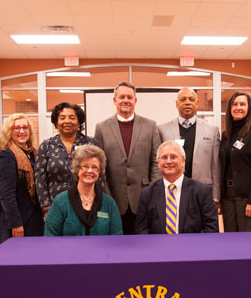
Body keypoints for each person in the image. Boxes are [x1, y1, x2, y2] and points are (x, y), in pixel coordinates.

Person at [94, 81, 161, 234]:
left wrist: (152, 191)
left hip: (144, 197)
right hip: (113, 197)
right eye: (122, 97)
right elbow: (99, 166)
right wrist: (106, 196)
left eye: (130, 97)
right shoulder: (101, 128)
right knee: (116, 244)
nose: (126, 100)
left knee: (143, 244)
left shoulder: (150, 126)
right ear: (114, 100)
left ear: (135, 101)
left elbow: (156, 162)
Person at [135, 140, 218, 234]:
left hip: (192, 247)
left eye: (173, 157)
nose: (168, 161)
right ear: (158, 163)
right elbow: (141, 230)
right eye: (164, 157)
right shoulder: (147, 194)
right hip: (158, 247)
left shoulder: (202, 191)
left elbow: (211, 228)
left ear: (182, 161)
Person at [158, 87, 221, 207]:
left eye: (191, 99)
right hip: (172, 191)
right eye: (183, 99)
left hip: (203, 191)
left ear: (197, 104)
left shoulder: (212, 130)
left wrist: (216, 196)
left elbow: (216, 166)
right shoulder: (162, 130)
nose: (187, 102)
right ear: (177, 104)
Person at [219, 92, 251, 233]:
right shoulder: (226, 134)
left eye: (242, 104)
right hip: (228, 197)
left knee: (248, 242)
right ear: (229, 108)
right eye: (234, 104)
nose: (238, 107)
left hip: (247, 197)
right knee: (230, 241)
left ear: (249, 108)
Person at [35, 102, 97, 219]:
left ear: (79, 122)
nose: (67, 121)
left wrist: (98, 202)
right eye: (62, 118)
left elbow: (100, 175)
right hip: (55, 205)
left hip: (86, 203)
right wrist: (46, 206)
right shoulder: (47, 146)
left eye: (72, 118)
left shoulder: (90, 144)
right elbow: (40, 178)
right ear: (56, 122)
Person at [44, 144, 122, 236]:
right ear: (77, 169)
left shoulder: (109, 204)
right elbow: (50, 236)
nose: (90, 171)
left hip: (102, 250)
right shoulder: (61, 202)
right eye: (85, 166)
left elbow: (117, 237)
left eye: (94, 167)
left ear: (99, 171)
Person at [0, 113, 44, 245]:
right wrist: (16, 223)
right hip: (17, 220)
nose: (21, 131)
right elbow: (7, 194)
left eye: (25, 128)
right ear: (9, 132)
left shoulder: (33, 153)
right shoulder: (6, 156)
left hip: (33, 218)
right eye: (16, 128)